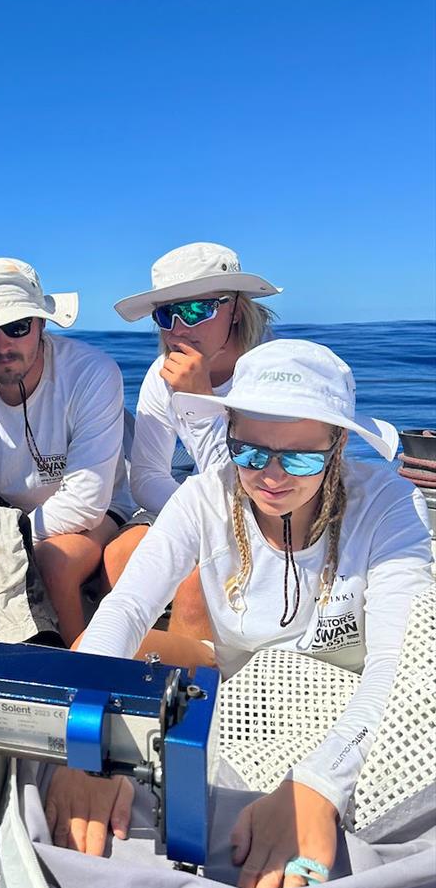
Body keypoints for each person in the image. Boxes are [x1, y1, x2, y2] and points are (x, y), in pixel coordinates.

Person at [47, 338, 432, 888]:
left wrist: (321, 784)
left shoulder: (390, 505)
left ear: (339, 445)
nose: (271, 476)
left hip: (348, 694)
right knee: (101, 659)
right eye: (249, 452)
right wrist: (83, 743)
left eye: (299, 457)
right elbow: (128, 608)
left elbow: (399, 663)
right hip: (241, 686)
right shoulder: (204, 496)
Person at [0, 257, 133, 646]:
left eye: (16, 327)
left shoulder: (92, 373)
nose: (2, 344)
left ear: (41, 324)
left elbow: (87, 501)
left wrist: (6, 538)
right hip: (15, 517)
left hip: (105, 510)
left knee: (54, 561)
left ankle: (79, 666)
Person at [101, 242, 281, 654]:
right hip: (204, 504)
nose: (179, 327)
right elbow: (145, 479)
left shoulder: (274, 373)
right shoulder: (160, 377)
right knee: (119, 555)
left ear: (235, 307)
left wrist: (201, 403)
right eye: (165, 314)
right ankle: (127, 666)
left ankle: (185, 695)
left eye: (197, 310)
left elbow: (258, 491)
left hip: (278, 514)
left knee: (196, 587)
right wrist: (197, 520)